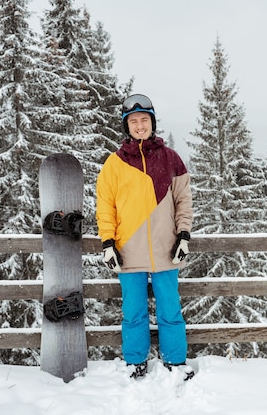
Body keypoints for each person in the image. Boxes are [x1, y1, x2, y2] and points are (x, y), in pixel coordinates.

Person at [95, 94, 194, 380]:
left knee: (170, 310)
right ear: (127, 126)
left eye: (145, 120)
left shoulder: (171, 159)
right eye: (134, 121)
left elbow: (183, 201)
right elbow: (105, 207)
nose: (140, 126)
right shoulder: (114, 164)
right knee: (133, 312)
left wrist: (183, 236)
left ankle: (175, 361)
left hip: (166, 250)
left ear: (152, 123)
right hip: (128, 250)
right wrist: (108, 243)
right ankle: (135, 361)